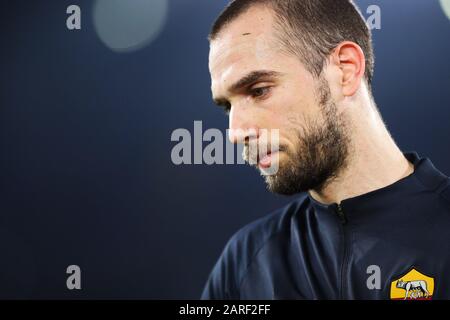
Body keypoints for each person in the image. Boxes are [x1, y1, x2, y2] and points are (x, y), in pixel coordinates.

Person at [201, 0, 450, 300]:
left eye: (259, 90)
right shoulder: (245, 263)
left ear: (345, 70)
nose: (235, 132)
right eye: (227, 106)